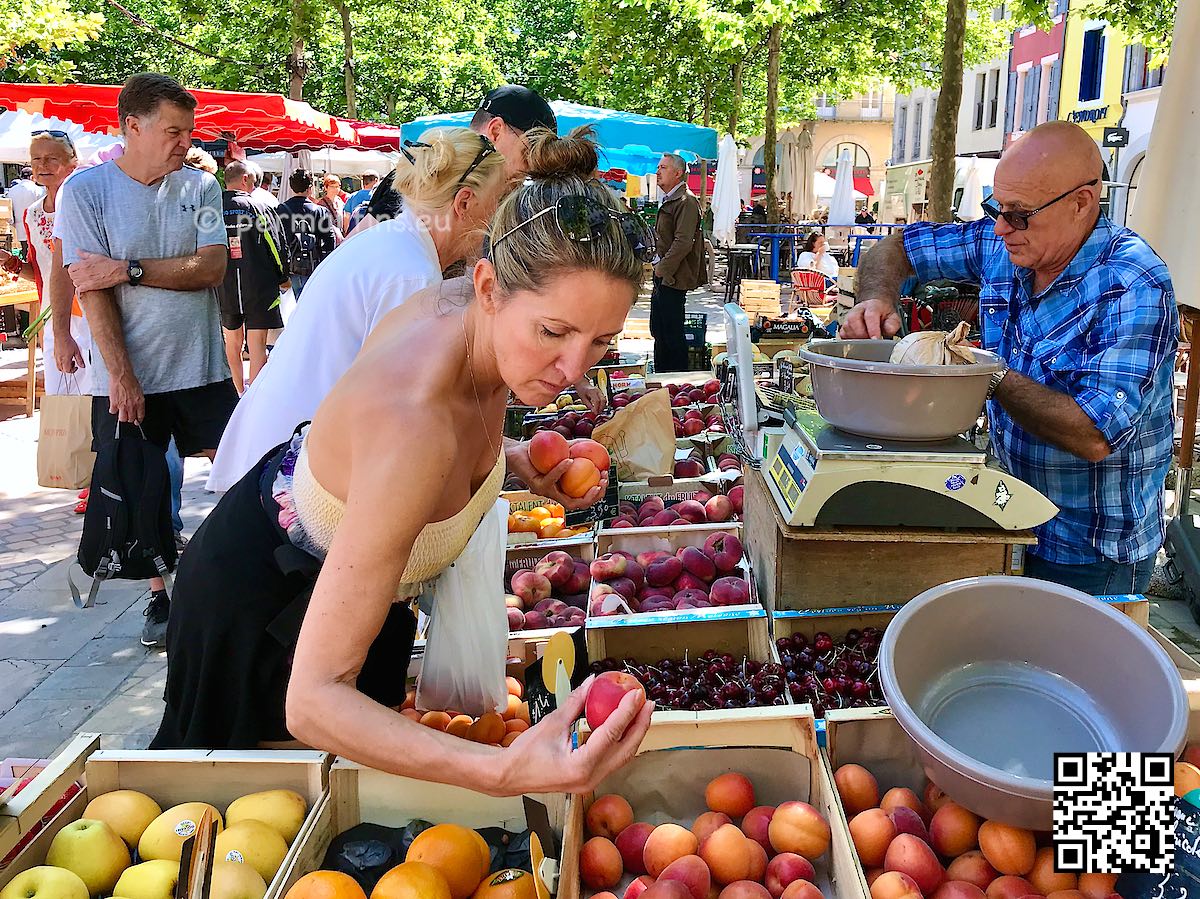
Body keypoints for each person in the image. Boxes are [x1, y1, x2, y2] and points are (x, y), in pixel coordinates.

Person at [152, 130, 655, 788]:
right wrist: (502, 769)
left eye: (600, 343)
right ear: (488, 286)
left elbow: (429, 441)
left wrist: (514, 460)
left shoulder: (461, 314)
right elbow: (313, 700)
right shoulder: (414, 425)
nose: (571, 368)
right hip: (265, 615)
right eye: (553, 332)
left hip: (346, 588)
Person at [842, 121, 1177, 594]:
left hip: (1092, 550)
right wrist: (875, 298)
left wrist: (985, 373)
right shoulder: (1001, 243)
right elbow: (896, 247)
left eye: (1019, 214)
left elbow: (1093, 434)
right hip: (1006, 514)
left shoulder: (1133, 285)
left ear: (1082, 202)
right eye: (996, 208)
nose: (1001, 227)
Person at [57, 72, 235, 647]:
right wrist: (121, 377)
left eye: (189, 131)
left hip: (203, 367)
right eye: (173, 131)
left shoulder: (201, 189)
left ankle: (242, 577)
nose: (186, 142)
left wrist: (129, 268)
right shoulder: (84, 193)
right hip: (129, 375)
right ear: (131, 126)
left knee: (243, 469)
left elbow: (211, 267)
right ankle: (162, 601)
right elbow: (92, 289)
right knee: (143, 493)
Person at [357, 85, 557, 233]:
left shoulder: (512, 199)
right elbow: (358, 250)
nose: (535, 165)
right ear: (495, 131)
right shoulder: (424, 170)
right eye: (531, 150)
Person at [0, 132, 91, 396]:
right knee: (61, 395)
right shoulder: (32, 213)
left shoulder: (85, 205)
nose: (43, 165)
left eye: (52, 158)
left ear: (72, 162)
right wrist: (11, 263)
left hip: (90, 313)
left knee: (91, 395)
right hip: (54, 317)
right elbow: (41, 271)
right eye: (37, 159)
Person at [217, 159, 290, 393]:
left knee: (232, 342)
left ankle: (238, 391)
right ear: (246, 179)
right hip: (258, 284)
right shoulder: (259, 207)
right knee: (257, 344)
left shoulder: (210, 206)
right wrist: (282, 276)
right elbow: (276, 246)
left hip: (224, 284)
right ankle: (254, 398)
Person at [649, 152, 704, 373]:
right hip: (664, 275)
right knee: (659, 331)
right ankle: (662, 377)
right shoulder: (671, 199)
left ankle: (676, 381)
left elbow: (683, 241)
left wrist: (662, 268)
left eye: (663, 167)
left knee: (671, 334)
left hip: (673, 277)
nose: (657, 171)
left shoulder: (686, 201)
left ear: (678, 173)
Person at [275, 169, 336, 298]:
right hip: (314, 265)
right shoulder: (320, 211)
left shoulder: (281, 210)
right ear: (310, 188)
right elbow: (330, 241)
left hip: (290, 266)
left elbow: (277, 239)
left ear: (291, 187)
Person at [8, 166, 43, 257]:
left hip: (18, 225)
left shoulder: (12, 190)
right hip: (35, 224)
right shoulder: (37, 189)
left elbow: (9, 209)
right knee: (36, 251)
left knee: (24, 249)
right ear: (32, 177)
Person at [317, 174, 345, 243]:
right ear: (326, 188)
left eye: (337, 186)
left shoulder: (340, 201)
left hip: (340, 238)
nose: (336, 189)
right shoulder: (321, 204)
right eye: (332, 187)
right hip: (328, 240)